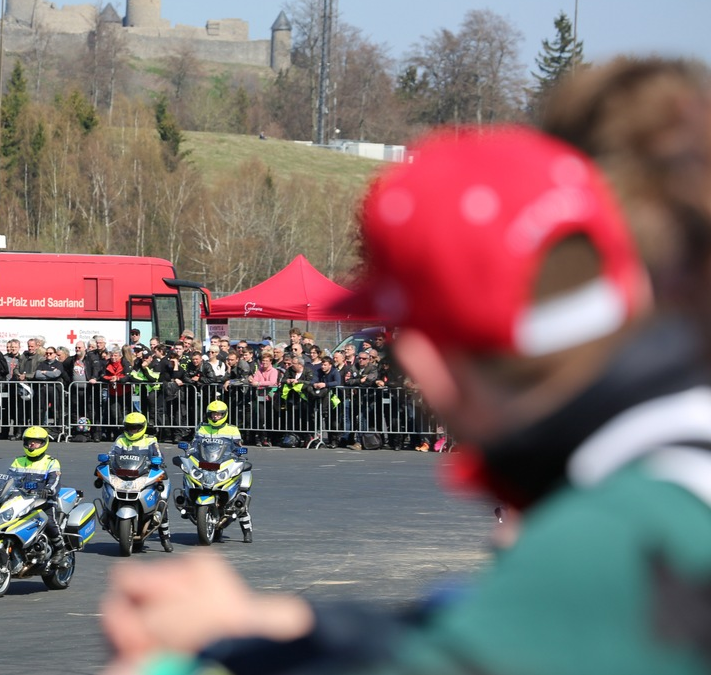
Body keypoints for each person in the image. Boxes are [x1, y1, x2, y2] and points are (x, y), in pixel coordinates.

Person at [99, 127, 706, 675]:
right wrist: (278, 626)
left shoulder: (615, 535)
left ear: (423, 360)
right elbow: (465, 625)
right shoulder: (664, 455)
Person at [106, 412, 172, 552]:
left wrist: (157, 462)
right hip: (124, 475)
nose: (133, 430)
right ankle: (108, 515)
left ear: (143, 427)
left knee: (161, 502)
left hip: (143, 475)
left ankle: (165, 538)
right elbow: (112, 455)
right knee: (107, 487)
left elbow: (158, 456)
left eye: (136, 427)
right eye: (130, 427)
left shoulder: (150, 440)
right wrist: (107, 462)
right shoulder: (120, 440)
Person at [193, 400, 251, 543]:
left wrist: (238, 452)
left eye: (218, 415)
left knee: (241, 495)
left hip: (224, 463)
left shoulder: (232, 429)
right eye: (213, 414)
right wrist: (189, 453)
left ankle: (247, 530)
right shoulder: (202, 428)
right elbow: (194, 446)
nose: (215, 417)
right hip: (207, 463)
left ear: (224, 415)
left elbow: (238, 448)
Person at [9, 426, 66, 565]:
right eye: (29, 442)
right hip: (21, 501)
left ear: (44, 443)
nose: (32, 445)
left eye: (36, 442)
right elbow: (7, 478)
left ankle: (60, 548)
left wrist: (48, 489)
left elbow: (55, 480)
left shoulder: (51, 462)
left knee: (49, 521)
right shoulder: (18, 461)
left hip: (43, 501)